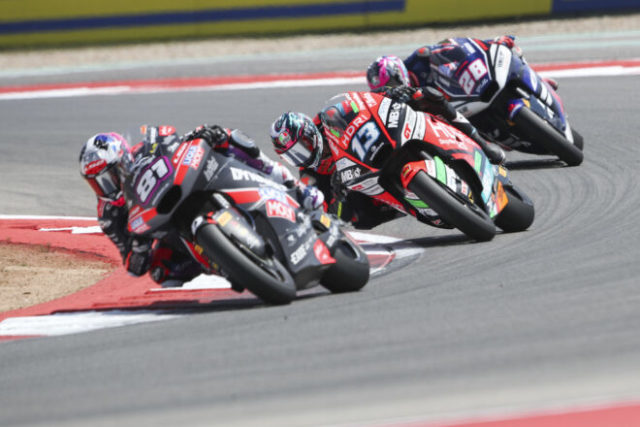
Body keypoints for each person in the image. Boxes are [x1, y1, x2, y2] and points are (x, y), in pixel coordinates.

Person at [79, 124, 324, 286]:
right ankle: (229, 263)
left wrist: (200, 135)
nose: (107, 186)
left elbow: (173, 141)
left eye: (110, 176)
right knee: (162, 273)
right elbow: (132, 265)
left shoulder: (146, 147)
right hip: (167, 228)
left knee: (227, 137)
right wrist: (138, 247)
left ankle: (295, 187)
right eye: (97, 183)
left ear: (123, 160)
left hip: (185, 185)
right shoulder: (109, 215)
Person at [364, 36, 529, 164]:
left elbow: (459, 47)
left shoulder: (419, 59)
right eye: (388, 87)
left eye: (392, 83)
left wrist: (491, 43)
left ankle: (485, 148)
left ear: (398, 72)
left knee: (433, 97)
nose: (393, 88)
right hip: (438, 127)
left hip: (465, 96)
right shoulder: (388, 100)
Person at [270, 111, 405, 230]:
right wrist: (338, 193)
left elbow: (359, 104)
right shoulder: (309, 176)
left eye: (303, 146)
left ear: (309, 132)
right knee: (358, 218)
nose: (302, 156)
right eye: (293, 155)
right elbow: (329, 215)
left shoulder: (326, 118)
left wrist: (384, 93)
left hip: (371, 145)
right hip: (366, 184)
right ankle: (401, 205)